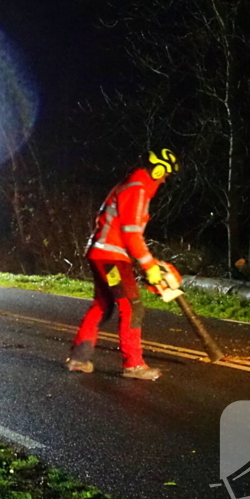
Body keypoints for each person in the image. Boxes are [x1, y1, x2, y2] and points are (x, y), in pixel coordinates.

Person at [65, 149, 179, 380]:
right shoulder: (137, 189)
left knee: (103, 304)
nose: (165, 179)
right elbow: (131, 233)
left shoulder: (132, 186)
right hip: (110, 257)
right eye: (165, 174)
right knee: (132, 306)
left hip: (104, 254)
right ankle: (133, 364)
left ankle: (79, 357)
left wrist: (149, 264)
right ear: (157, 169)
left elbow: (127, 233)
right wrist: (149, 265)